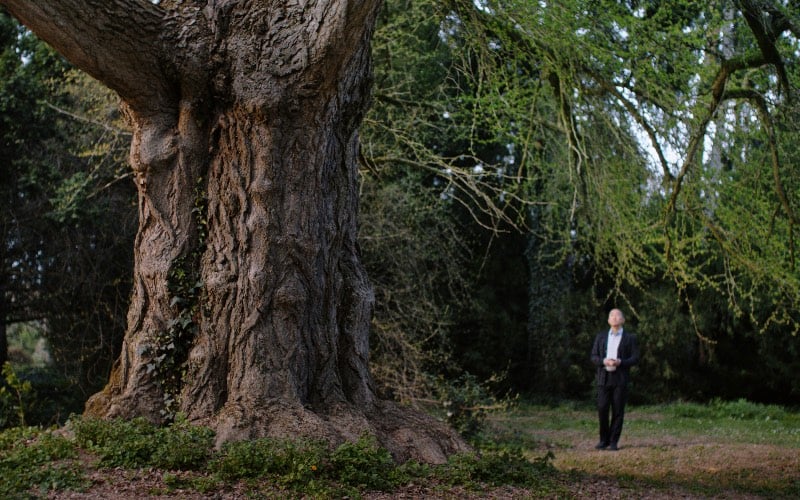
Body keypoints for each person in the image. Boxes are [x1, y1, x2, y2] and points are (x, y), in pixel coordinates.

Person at [590, 308, 639, 451]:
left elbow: (635, 358)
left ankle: (613, 441)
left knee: (618, 410)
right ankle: (603, 440)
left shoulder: (630, 338)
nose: (615, 317)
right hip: (603, 377)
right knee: (602, 408)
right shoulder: (601, 336)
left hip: (620, 378)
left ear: (623, 320)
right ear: (608, 320)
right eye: (611, 315)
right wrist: (604, 361)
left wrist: (620, 362)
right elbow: (593, 356)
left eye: (618, 315)